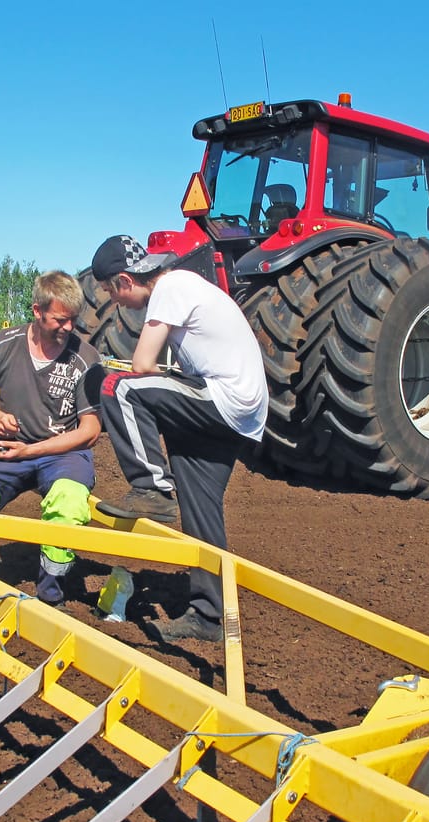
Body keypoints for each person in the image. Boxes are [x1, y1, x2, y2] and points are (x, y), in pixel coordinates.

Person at [90, 234, 267, 642]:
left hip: (225, 397)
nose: (116, 302)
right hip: (242, 411)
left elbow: (141, 364)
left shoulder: (170, 286)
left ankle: (151, 487)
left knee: (118, 388)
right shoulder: (186, 286)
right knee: (200, 508)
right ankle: (209, 616)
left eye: (110, 293)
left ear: (123, 281)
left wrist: (138, 378)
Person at [0, 270, 101, 605]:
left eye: (73, 320)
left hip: (63, 452)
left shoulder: (85, 359)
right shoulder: (5, 344)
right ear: (37, 311)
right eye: (60, 320)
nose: (68, 328)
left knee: (68, 501)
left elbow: (90, 432)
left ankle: (51, 597)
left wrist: (32, 450)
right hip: (12, 449)